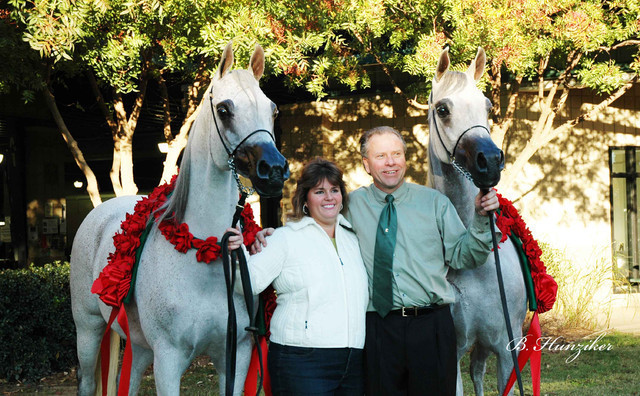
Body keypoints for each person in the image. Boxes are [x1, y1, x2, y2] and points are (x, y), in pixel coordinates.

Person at [253, 126, 500, 396]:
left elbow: (465, 256)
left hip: (431, 327)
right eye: (381, 155)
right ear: (367, 164)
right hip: (379, 330)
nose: (391, 162)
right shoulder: (349, 205)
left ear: (405, 158)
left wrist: (480, 219)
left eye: (396, 154)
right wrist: (271, 236)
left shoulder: (435, 203)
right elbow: (315, 223)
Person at [227, 157, 368, 396]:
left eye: (335, 190)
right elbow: (250, 283)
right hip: (302, 361)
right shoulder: (285, 238)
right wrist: (239, 252)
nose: (329, 197)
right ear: (305, 198)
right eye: (319, 191)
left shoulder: (354, 239)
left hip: (353, 361)